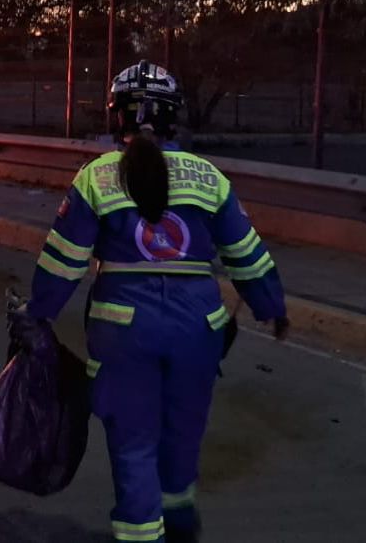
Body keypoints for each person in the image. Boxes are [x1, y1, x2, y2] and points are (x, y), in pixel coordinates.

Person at [19, 61, 288, 543]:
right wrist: (271, 307)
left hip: (124, 331)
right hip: (199, 330)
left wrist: (37, 313)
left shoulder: (97, 176)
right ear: (173, 116)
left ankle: (143, 535)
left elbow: (64, 259)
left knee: (134, 445)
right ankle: (180, 523)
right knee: (182, 435)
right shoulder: (209, 177)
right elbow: (246, 254)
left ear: (117, 115)